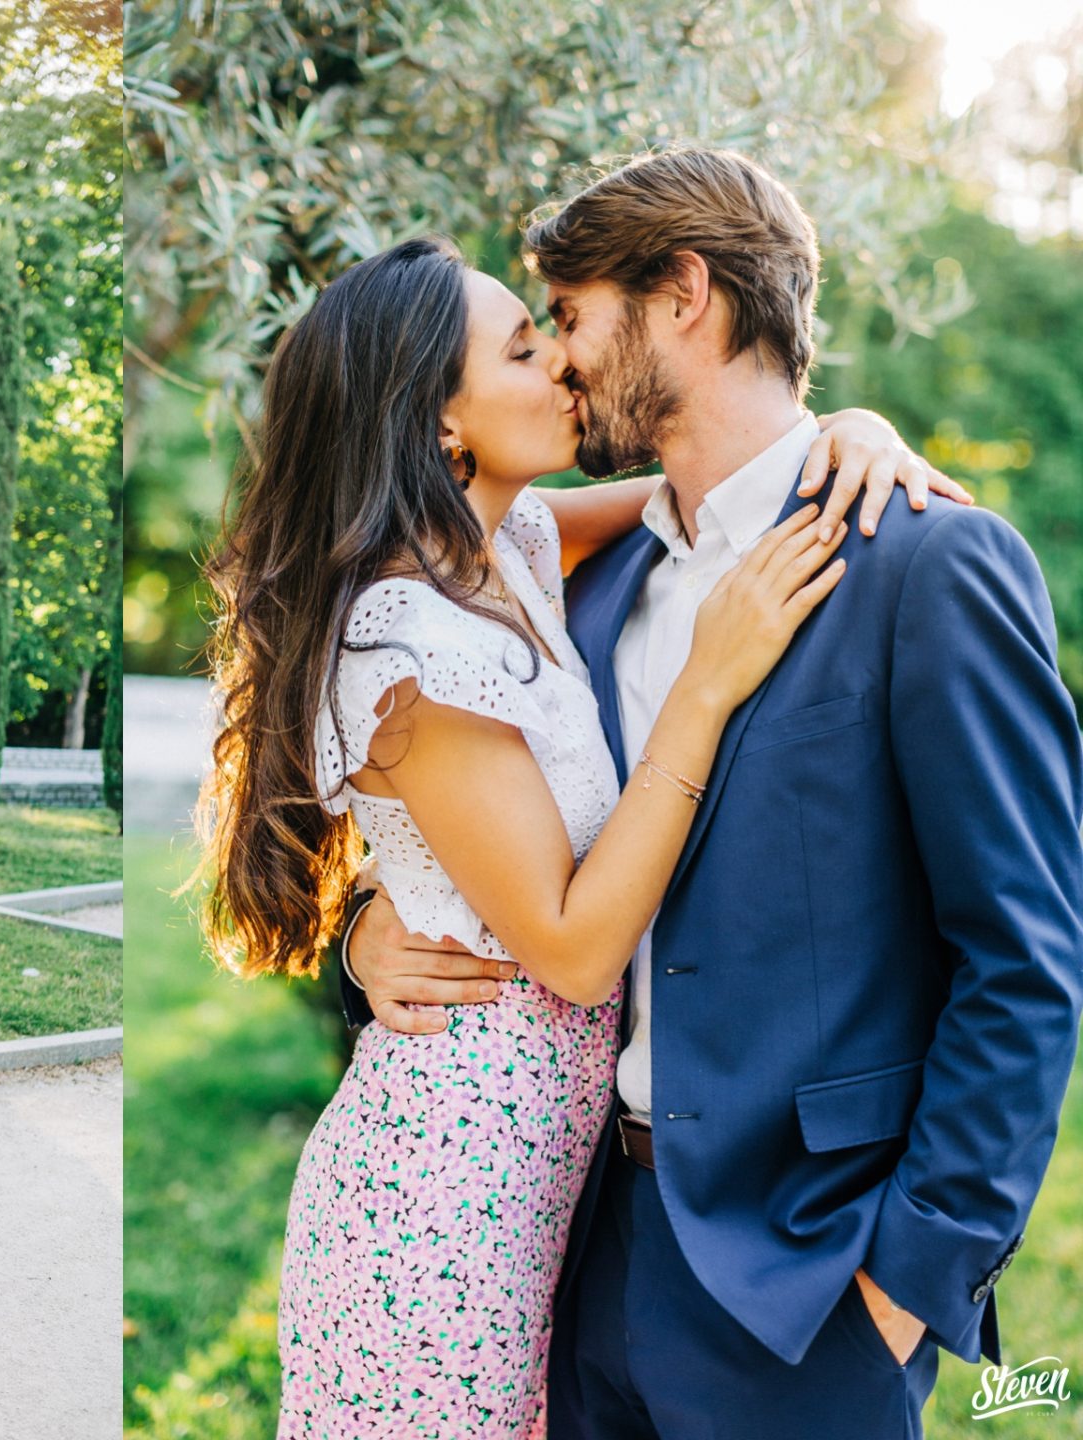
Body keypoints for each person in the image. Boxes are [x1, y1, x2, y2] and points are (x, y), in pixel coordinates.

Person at [339, 149, 1083, 1438]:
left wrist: (910, 1279)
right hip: (572, 1250)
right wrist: (372, 920)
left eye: (569, 319)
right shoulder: (579, 583)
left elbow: (1026, 956)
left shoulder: (929, 565)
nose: (561, 361)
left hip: (804, 1281)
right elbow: (483, 820)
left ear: (682, 293)